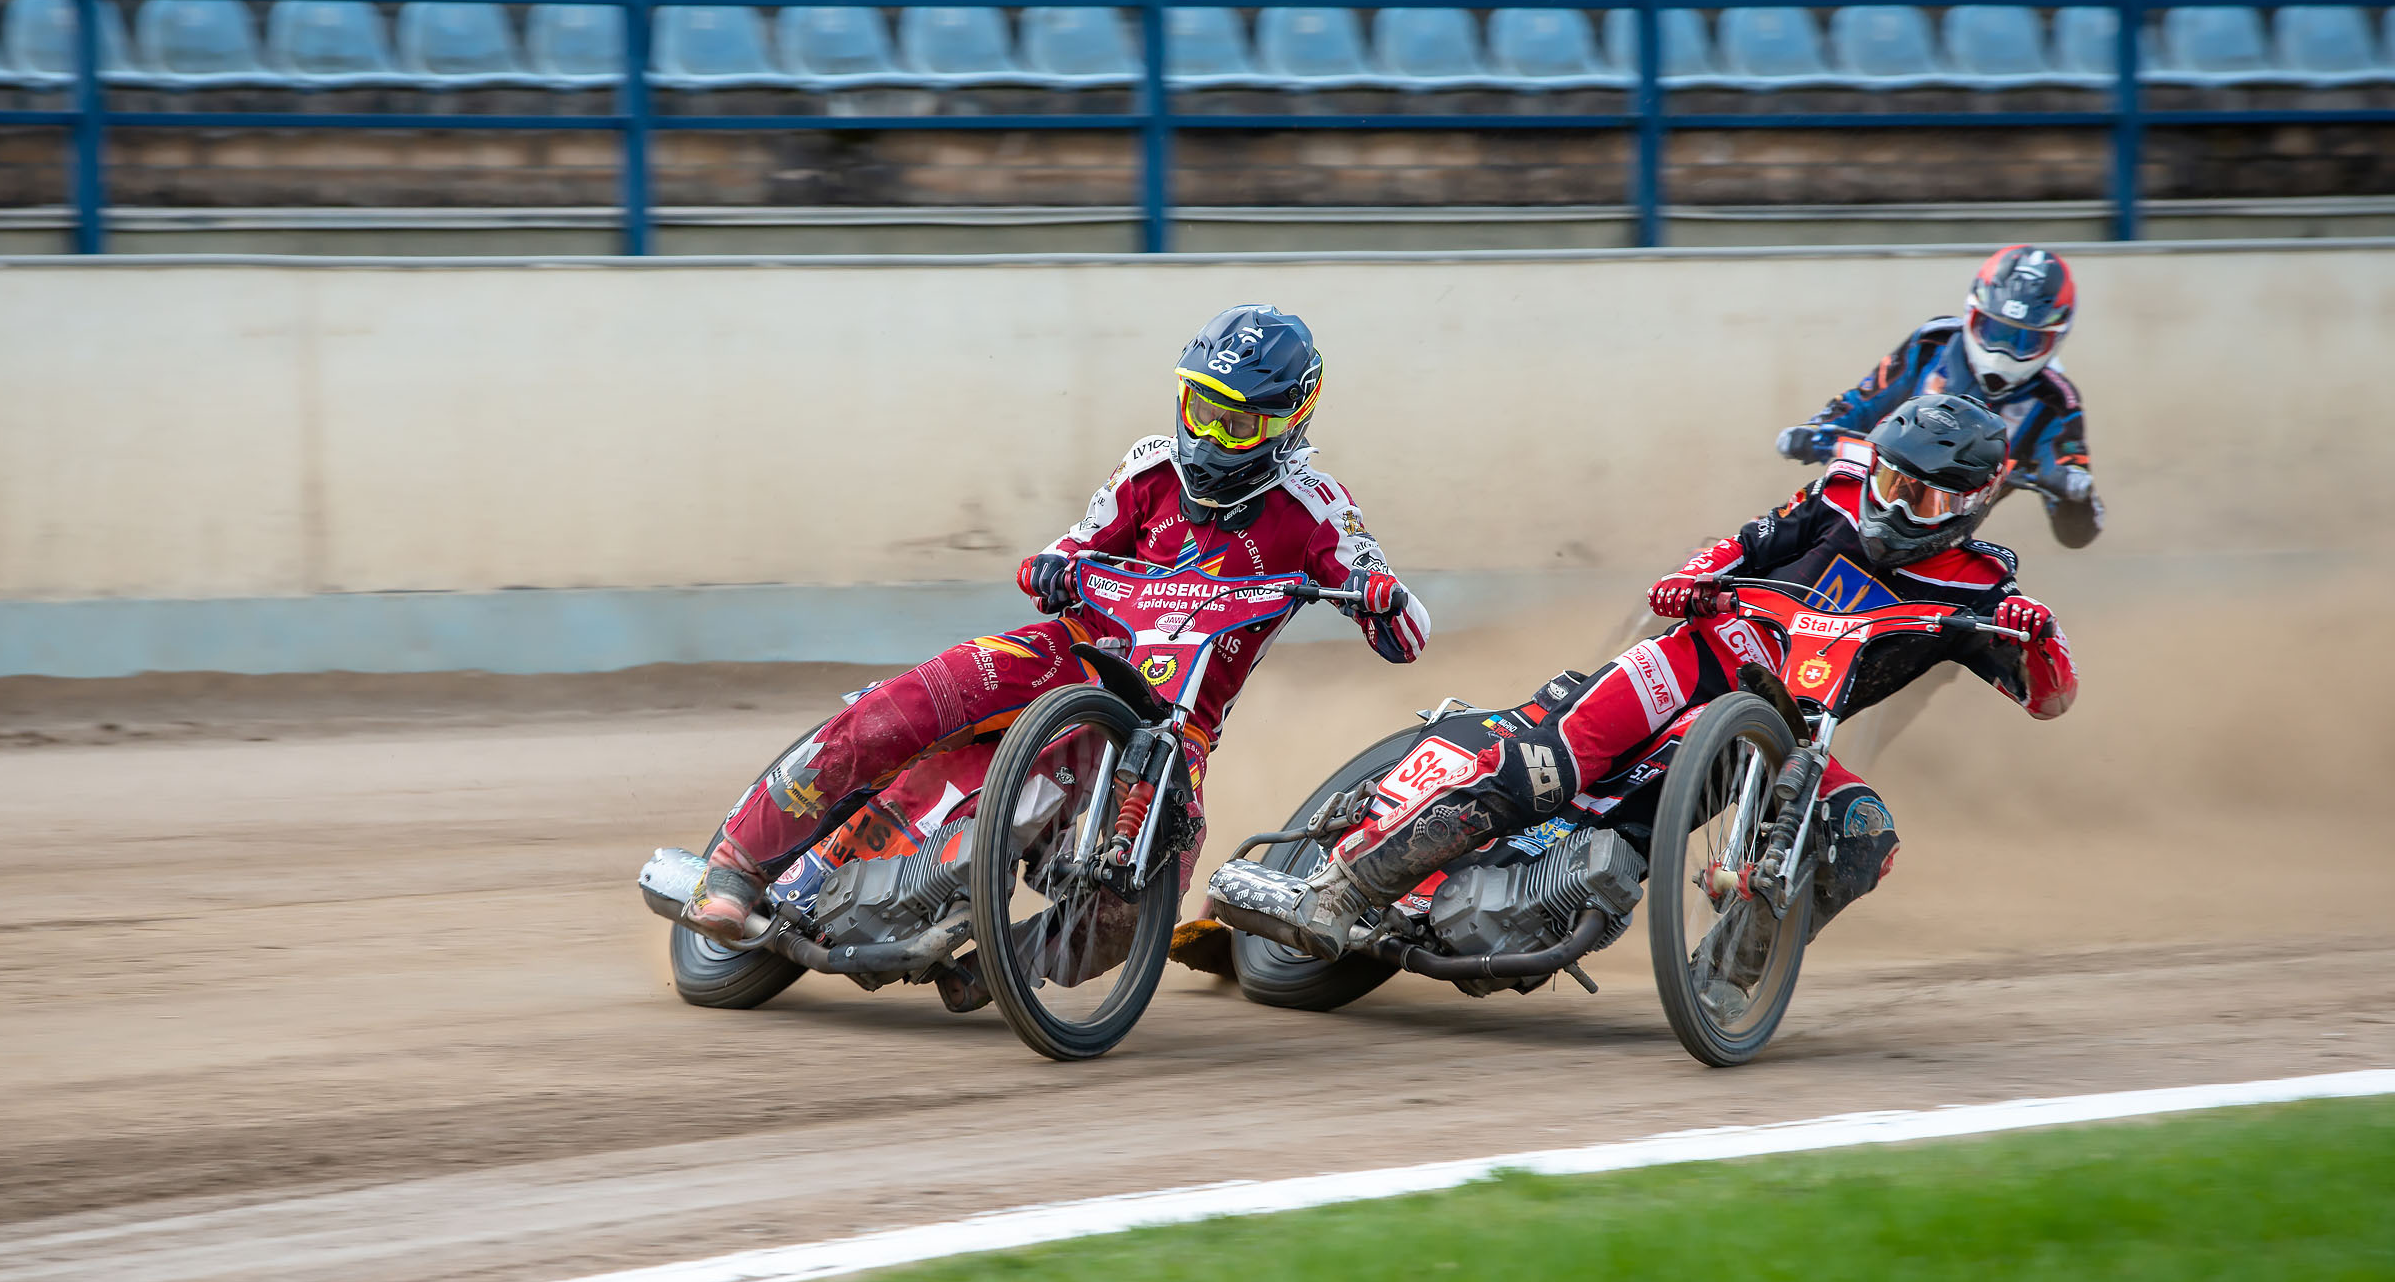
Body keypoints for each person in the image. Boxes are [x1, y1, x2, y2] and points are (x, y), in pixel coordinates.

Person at [1210, 394, 2077, 992]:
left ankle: (1728, 984)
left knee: (1864, 834)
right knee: (1546, 765)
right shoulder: (1839, 496)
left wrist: (2043, 647)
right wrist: (1690, 580)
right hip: (1704, 655)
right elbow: (1746, 541)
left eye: (1914, 490)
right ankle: (1340, 893)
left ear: (1968, 502)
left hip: (1778, 737)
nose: (1887, 498)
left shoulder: (1987, 591)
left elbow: (2048, 699)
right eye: (1888, 476)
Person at [668, 302, 1433, 954]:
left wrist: (1380, 597)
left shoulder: (1320, 509)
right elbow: (1070, 547)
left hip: (1180, 730)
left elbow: (1408, 633)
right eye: (1199, 406)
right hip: (1068, 659)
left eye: (1234, 422)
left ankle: (1010, 966)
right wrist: (1055, 565)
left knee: (1131, 912)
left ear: (1288, 423)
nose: (1207, 436)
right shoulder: (1148, 469)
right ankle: (738, 864)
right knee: (909, 703)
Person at [1775, 245, 2103, 549]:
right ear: (1972, 312)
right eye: (1996, 331)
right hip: (1866, 495)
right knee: (1781, 533)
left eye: (2025, 341)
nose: (2004, 351)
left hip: (1943, 535)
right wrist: (1817, 428)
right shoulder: (1933, 342)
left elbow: (2076, 530)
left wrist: (2074, 493)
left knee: (1981, 592)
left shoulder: (2058, 403)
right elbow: (1864, 400)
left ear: (2055, 339)